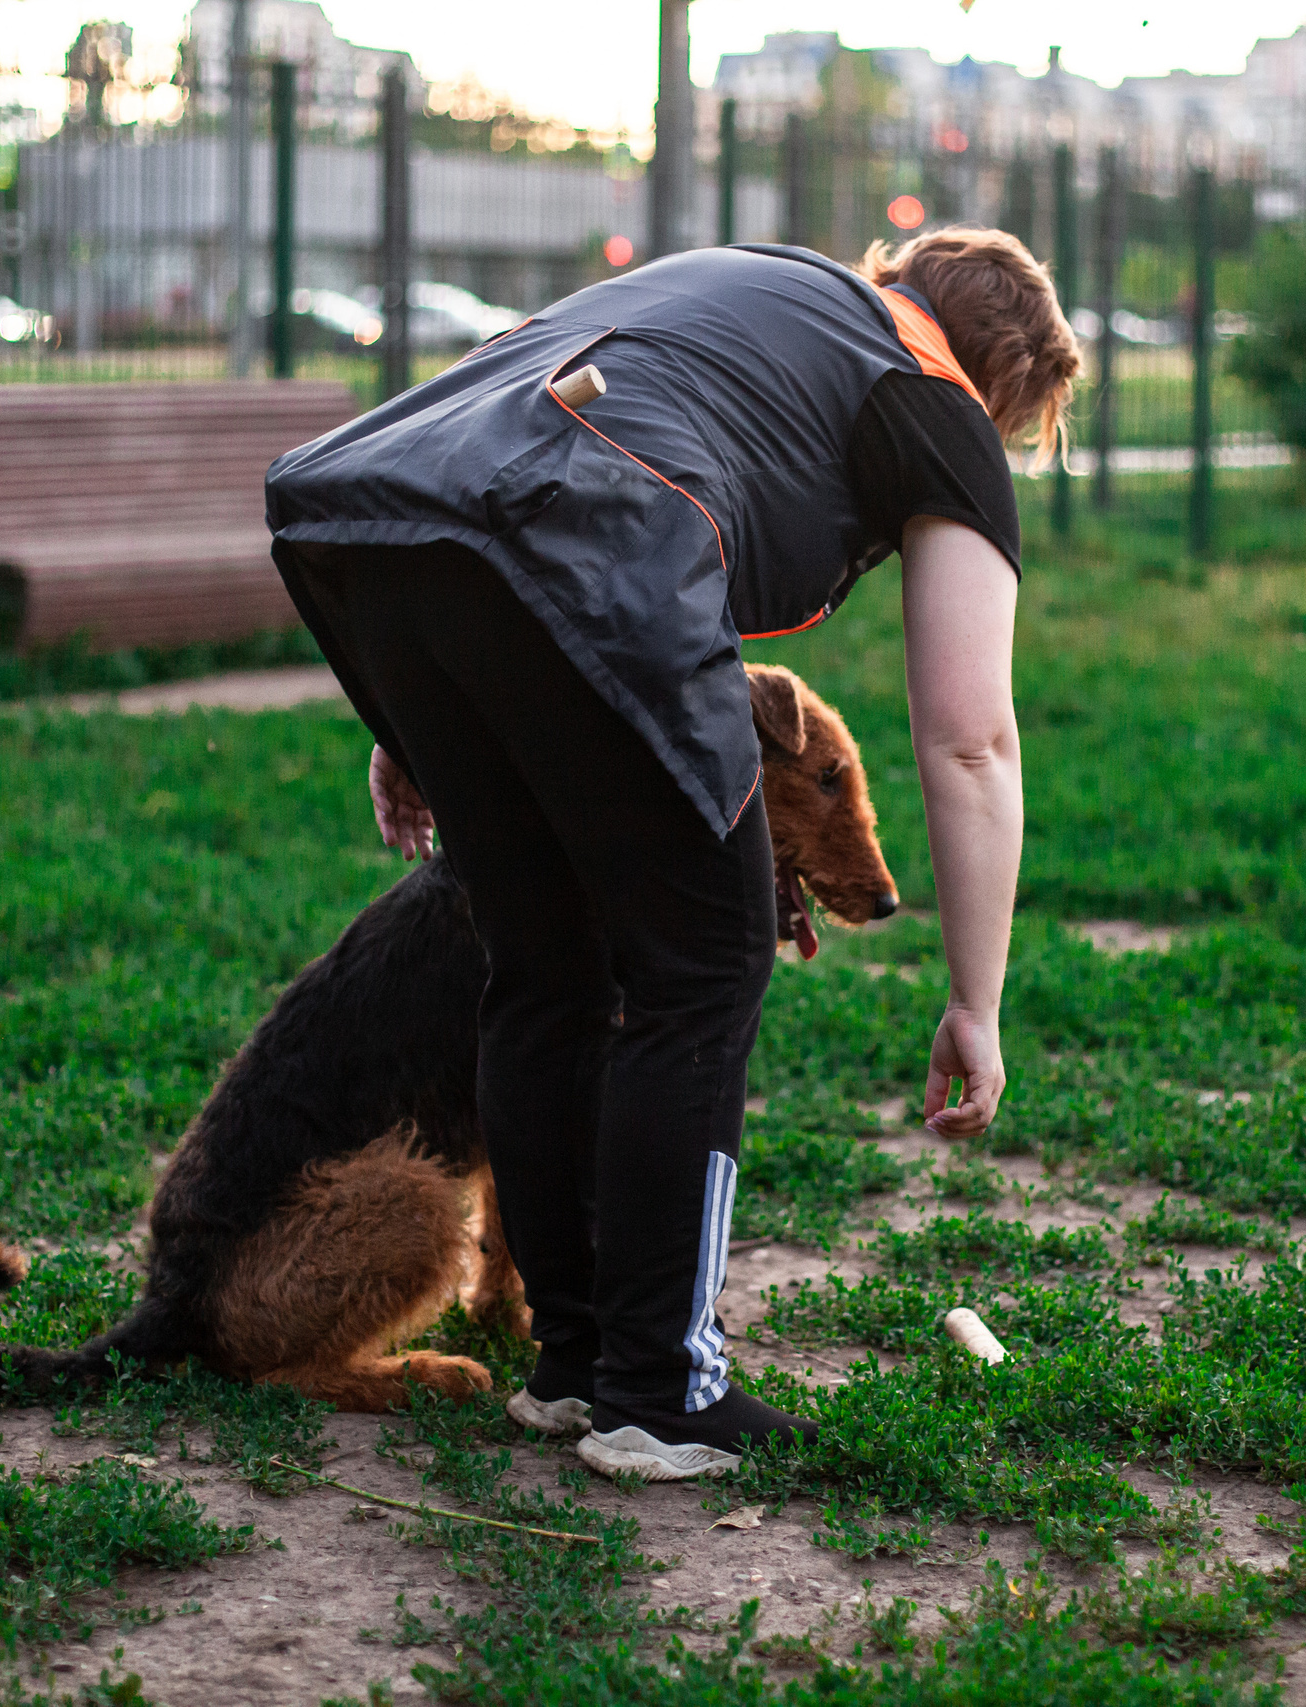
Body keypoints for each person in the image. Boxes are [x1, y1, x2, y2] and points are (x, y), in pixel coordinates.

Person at [265, 230, 1078, 1481]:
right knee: (702, 963)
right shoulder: (935, 396)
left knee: (550, 964)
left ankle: (580, 1366)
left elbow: (507, 405)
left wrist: (417, 709)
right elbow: (971, 740)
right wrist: (975, 1001)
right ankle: (660, 1392)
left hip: (385, 524)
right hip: (579, 545)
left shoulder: (750, 285)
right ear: (1007, 384)